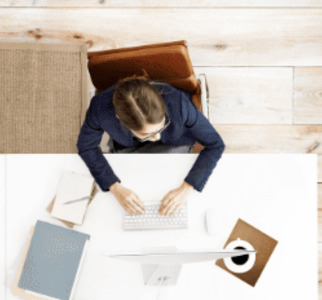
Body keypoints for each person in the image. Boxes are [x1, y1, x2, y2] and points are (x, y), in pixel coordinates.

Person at [77, 75, 225, 217]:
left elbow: (216, 144)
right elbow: (86, 147)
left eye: (161, 126)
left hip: (175, 141)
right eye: (147, 134)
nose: (157, 137)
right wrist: (115, 187)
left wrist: (187, 187)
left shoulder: (179, 103)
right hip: (128, 146)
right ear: (120, 119)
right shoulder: (99, 108)